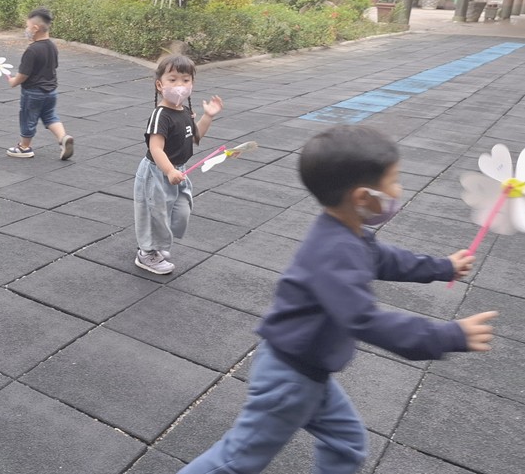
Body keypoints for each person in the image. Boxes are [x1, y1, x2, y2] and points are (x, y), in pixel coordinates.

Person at [178, 124, 498, 474]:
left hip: (307, 370)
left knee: (347, 442)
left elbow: (387, 259)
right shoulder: (335, 251)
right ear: (362, 197)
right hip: (289, 379)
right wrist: (447, 335)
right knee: (237, 460)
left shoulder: (348, 234)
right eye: (393, 181)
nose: (399, 190)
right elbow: (364, 319)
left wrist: (443, 267)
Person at [133, 53, 223, 275]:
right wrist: (169, 170)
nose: (179, 85)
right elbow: (156, 148)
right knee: (154, 213)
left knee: (181, 211)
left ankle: (158, 242)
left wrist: (208, 116)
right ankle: (146, 252)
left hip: (179, 171)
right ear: (160, 84)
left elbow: (194, 137)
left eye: (185, 80)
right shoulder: (161, 115)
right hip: (158, 172)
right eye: (172, 80)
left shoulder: (184, 112)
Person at [6, 7, 74, 160]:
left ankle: (24, 147)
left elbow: (24, 74)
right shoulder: (52, 47)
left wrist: (13, 81)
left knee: (28, 118)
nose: (26, 30)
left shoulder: (32, 50)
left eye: (27, 26)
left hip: (33, 93)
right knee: (50, 116)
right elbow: (54, 66)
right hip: (51, 92)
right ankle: (63, 138)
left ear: (35, 28)